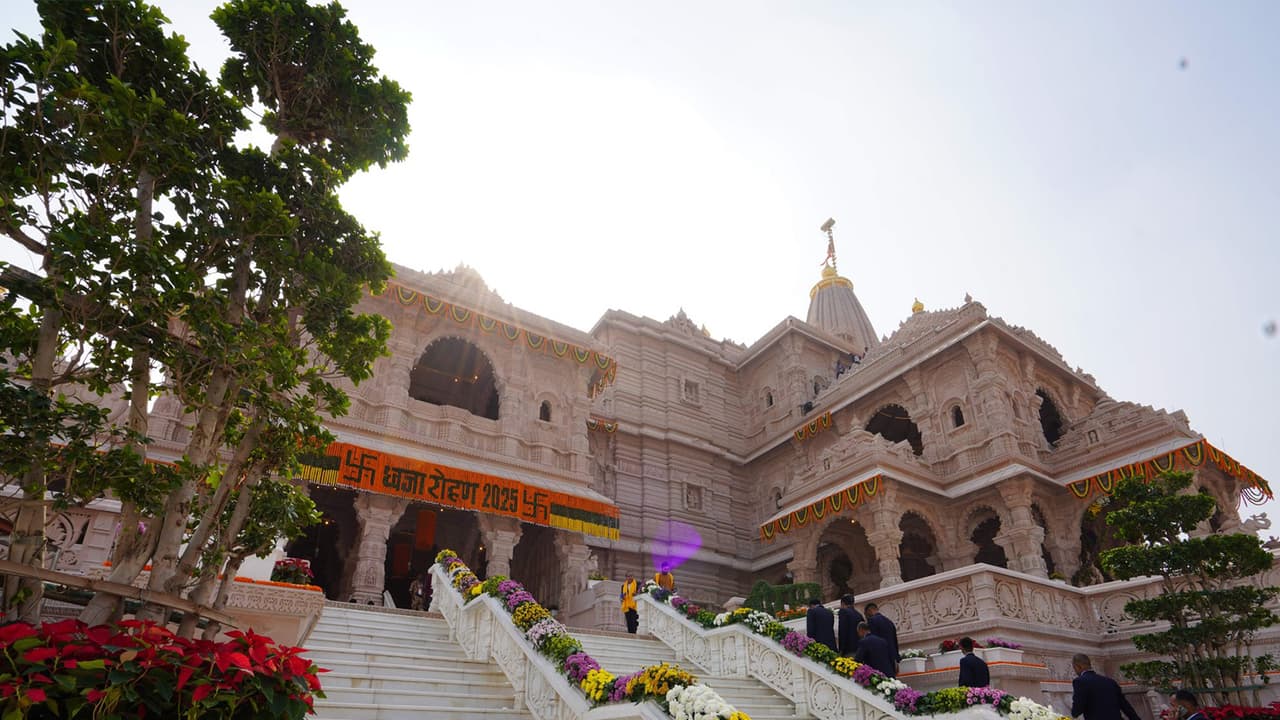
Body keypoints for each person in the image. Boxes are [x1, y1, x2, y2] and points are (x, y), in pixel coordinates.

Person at [1070, 653, 1141, 720]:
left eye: (1074, 668)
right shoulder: (1110, 681)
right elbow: (1125, 706)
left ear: (1078, 666)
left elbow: (1077, 710)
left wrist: (1074, 712)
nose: (1075, 671)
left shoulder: (1080, 681)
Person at [865, 602, 900, 668]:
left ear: (869, 611)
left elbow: (873, 640)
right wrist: (896, 658)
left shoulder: (872, 621)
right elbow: (895, 641)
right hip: (892, 656)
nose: (867, 617)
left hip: (880, 657)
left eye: (866, 614)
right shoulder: (889, 622)